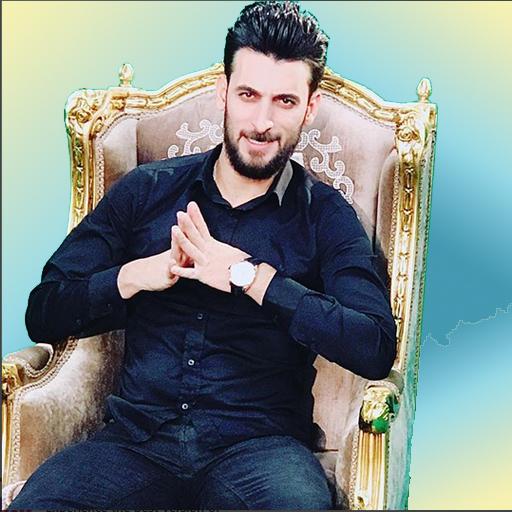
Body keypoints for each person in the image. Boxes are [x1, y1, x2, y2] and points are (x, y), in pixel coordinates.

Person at [9, 1, 396, 509]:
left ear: (309, 107)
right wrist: (135, 276)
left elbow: (373, 345)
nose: (262, 121)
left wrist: (248, 276)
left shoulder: (326, 215)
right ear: (223, 91)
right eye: (248, 95)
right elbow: (43, 311)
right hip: (135, 443)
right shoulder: (146, 191)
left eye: (284, 101)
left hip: (262, 452)